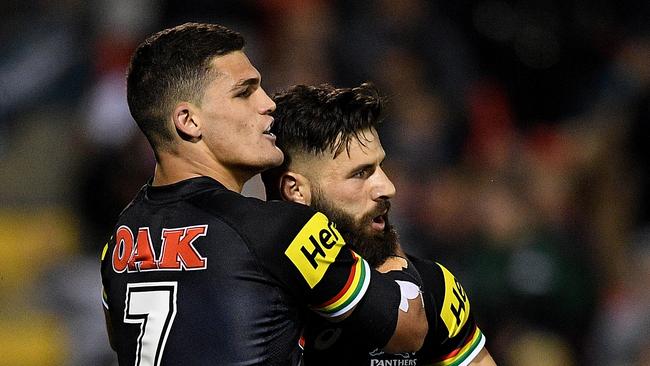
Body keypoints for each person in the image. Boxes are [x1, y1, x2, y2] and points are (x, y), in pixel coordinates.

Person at [99, 23, 427, 365]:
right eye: (245, 92)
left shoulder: (119, 241)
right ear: (189, 121)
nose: (268, 103)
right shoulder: (276, 229)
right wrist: (390, 252)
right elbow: (408, 328)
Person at [261, 82, 497, 365]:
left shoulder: (436, 288)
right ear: (296, 190)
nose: (387, 187)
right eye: (360, 173)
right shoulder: (256, 294)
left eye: (380, 166)